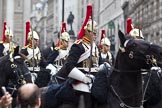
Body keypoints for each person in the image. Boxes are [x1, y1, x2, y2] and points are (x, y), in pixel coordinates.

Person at [54, 4, 98, 108]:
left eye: (96, 33)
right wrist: (84, 78)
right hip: (78, 81)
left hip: (94, 79)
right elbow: (69, 66)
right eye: (93, 33)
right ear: (87, 32)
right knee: (85, 94)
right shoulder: (78, 46)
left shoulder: (95, 47)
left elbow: (96, 64)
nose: (95, 35)